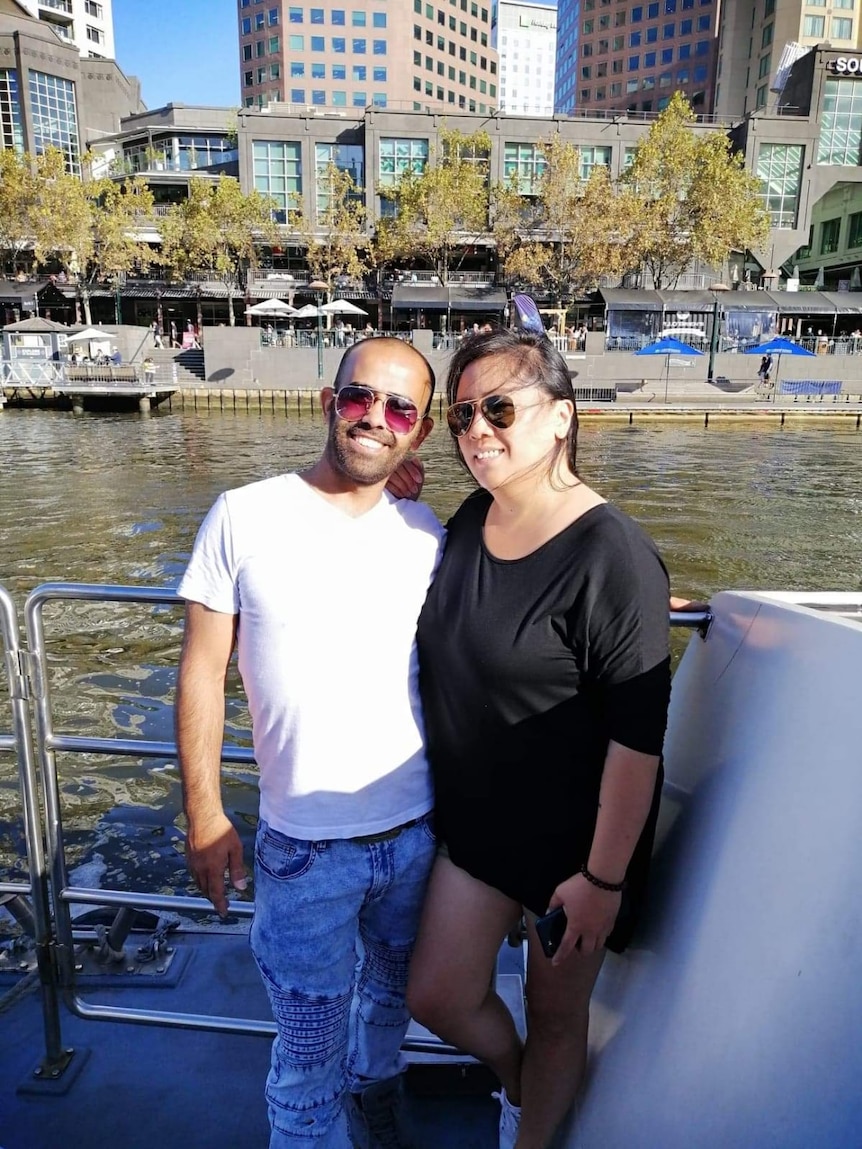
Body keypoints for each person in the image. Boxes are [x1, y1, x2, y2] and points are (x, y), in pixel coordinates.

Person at [406, 328, 672, 1149]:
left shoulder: (613, 555)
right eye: (460, 416)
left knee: (558, 1019)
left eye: (498, 408)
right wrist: (394, 498)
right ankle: (525, 1085)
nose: (475, 430)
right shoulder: (467, 520)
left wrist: (601, 878)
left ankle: (531, 1133)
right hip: (481, 830)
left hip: (574, 853)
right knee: (438, 994)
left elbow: (638, 741)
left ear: (560, 417)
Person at [175, 337, 444, 1149]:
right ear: (328, 402)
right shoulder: (243, 514)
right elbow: (199, 672)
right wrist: (206, 814)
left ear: (420, 434)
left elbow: (528, 569)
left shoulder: (428, 531)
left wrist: (638, 586)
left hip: (418, 833)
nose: (376, 418)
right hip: (303, 853)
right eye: (360, 398)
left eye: (400, 408)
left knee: (390, 1006)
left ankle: (377, 1091)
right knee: (303, 1058)